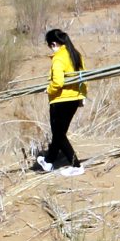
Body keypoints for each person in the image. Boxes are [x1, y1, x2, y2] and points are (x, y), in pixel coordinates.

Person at [38, 27, 86, 176]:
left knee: (59, 134)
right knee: (59, 133)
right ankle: (49, 161)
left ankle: (76, 166)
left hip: (60, 100)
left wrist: (49, 89)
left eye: (50, 47)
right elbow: (82, 77)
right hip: (74, 99)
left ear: (53, 44)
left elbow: (58, 82)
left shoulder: (58, 58)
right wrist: (82, 96)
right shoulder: (75, 55)